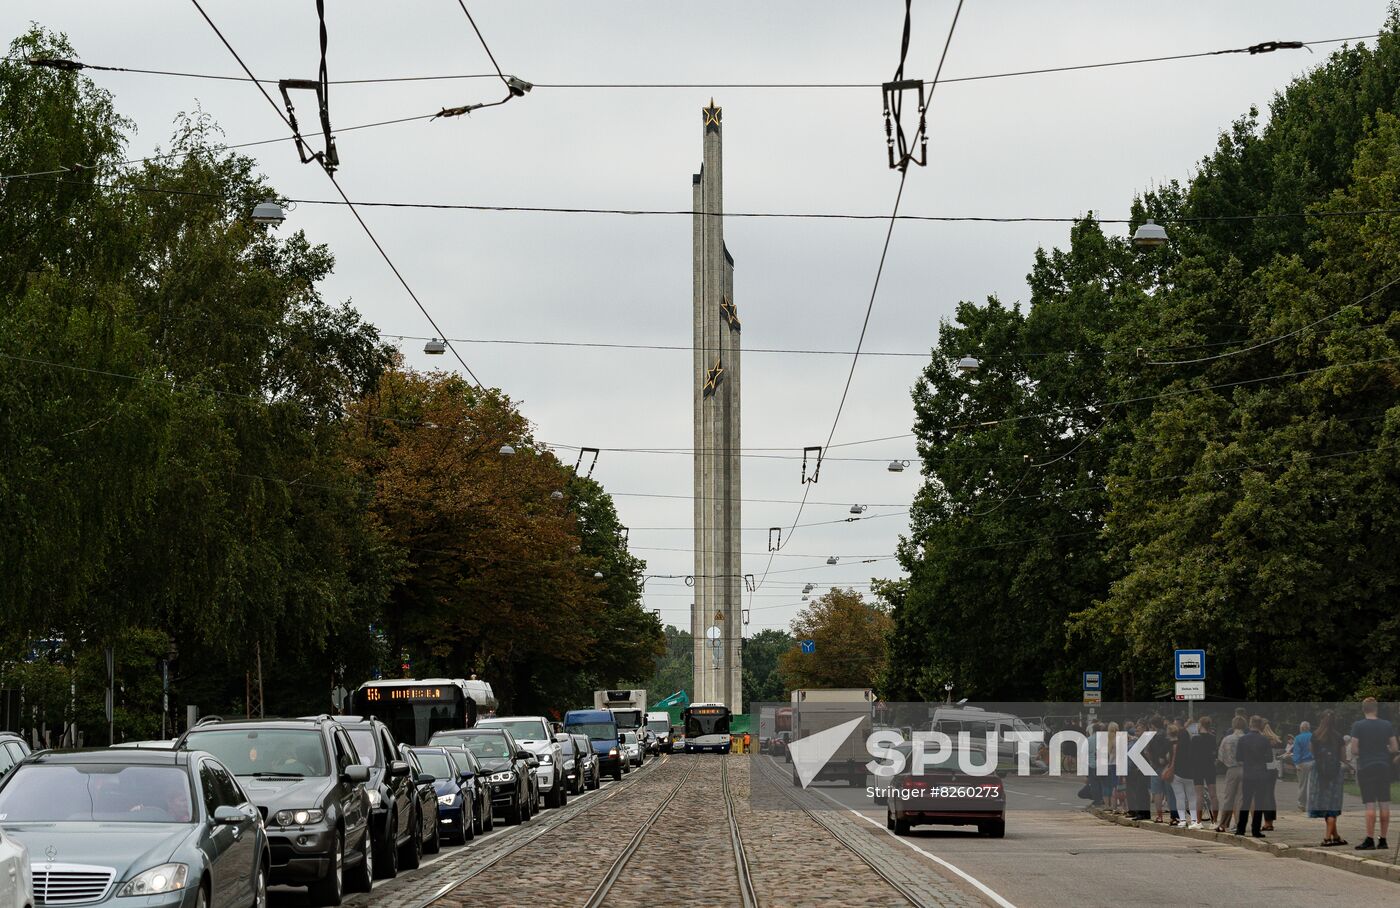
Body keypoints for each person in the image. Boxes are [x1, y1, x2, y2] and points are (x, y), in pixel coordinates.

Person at [1349, 697, 1398, 851]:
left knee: (1370, 803)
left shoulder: (1358, 726)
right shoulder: (1386, 725)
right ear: (1376, 709)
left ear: (1364, 709)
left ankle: (1369, 838)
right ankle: (1383, 839)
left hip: (1366, 766)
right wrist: (1385, 751)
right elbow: (1395, 747)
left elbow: (1354, 749)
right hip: (1383, 766)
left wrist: (1365, 751)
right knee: (1384, 803)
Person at [1308, 709, 1345, 846]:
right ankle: (1327, 838)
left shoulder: (1315, 736)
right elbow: (1343, 758)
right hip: (1335, 773)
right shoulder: (1338, 736)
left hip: (1319, 773)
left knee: (1324, 803)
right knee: (1333, 805)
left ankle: (1335, 836)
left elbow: (1312, 753)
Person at [1235, 715, 1273, 838]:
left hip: (1248, 773)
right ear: (1260, 725)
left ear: (1250, 724)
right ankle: (1255, 829)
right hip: (1261, 774)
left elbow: (1238, 758)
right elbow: (1269, 758)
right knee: (1259, 802)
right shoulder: (1264, 740)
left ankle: (1241, 828)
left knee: (1245, 801)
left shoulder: (1242, 739)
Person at [1216, 715, 1246, 833]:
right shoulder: (1246, 738)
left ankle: (1223, 824)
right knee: (1240, 799)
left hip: (1232, 770)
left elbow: (1221, 756)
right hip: (1245, 769)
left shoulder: (1227, 739)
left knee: (1228, 797)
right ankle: (1239, 824)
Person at [1167, 722, 1199, 828]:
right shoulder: (1192, 746)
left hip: (1177, 774)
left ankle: (1182, 820)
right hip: (1190, 774)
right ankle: (1194, 820)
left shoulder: (1174, 746)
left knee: (1179, 797)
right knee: (1192, 798)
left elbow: (1170, 759)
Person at [1191, 715, 1218, 825]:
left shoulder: (1195, 738)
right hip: (1210, 767)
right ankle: (1215, 821)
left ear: (1200, 725)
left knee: (1199, 795)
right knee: (1213, 794)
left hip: (1198, 768)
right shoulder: (1212, 737)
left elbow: (1191, 755)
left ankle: (1198, 821)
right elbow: (1214, 753)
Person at [1260, 718, 1282, 831]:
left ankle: (1267, 822)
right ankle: (1270, 821)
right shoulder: (1275, 739)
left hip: (1265, 769)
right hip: (1274, 769)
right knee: (1270, 795)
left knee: (1265, 796)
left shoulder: (1262, 739)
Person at [1292, 721, 1314, 813]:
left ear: (1301, 728)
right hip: (1314, 762)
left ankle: (1302, 804)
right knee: (1313, 784)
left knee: (1302, 784)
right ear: (1309, 728)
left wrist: (1296, 763)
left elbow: (1297, 752)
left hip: (1303, 763)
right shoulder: (1314, 736)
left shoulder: (1298, 738)